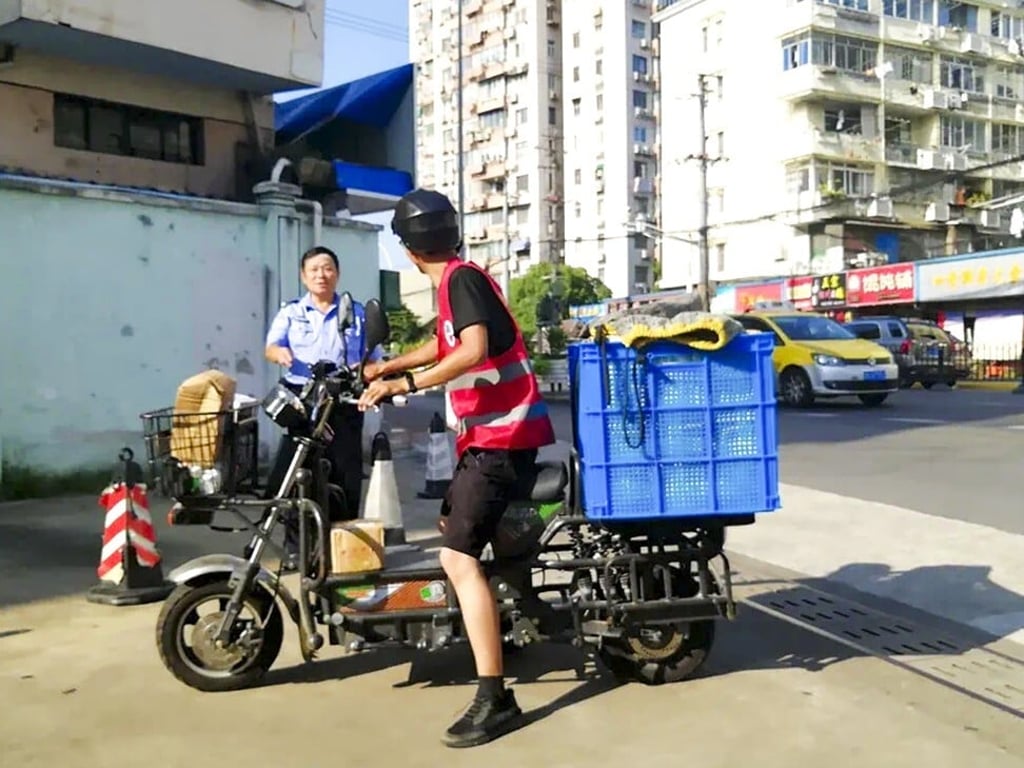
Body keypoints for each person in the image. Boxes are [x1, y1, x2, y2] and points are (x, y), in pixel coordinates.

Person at [358, 189, 555, 748]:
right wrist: (390, 364)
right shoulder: (459, 281)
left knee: (455, 556)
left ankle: (496, 697)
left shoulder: (461, 280)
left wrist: (404, 384)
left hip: (502, 440)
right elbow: (444, 342)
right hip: (494, 440)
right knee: (456, 530)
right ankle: (508, 622)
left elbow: (469, 351)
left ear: (409, 249)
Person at [264, 245, 382, 565]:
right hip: (302, 403)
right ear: (304, 276)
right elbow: (271, 347)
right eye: (314, 269)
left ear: (337, 274)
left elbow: (374, 358)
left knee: (345, 473)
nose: (321, 275)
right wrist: (281, 355)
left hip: (342, 402)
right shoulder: (291, 312)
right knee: (296, 472)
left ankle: (342, 545)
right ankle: (297, 545)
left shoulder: (354, 312)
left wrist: (366, 374)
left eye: (328, 268)